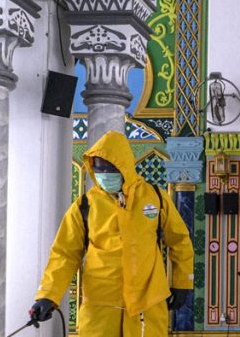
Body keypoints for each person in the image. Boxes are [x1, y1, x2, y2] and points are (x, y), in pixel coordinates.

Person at [29, 131, 194, 335]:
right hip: (100, 309)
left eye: (110, 168)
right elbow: (64, 254)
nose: (104, 173)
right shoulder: (85, 205)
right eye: (99, 168)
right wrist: (48, 295)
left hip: (147, 305)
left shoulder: (155, 198)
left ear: (125, 166)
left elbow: (180, 241)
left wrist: (182, 282)